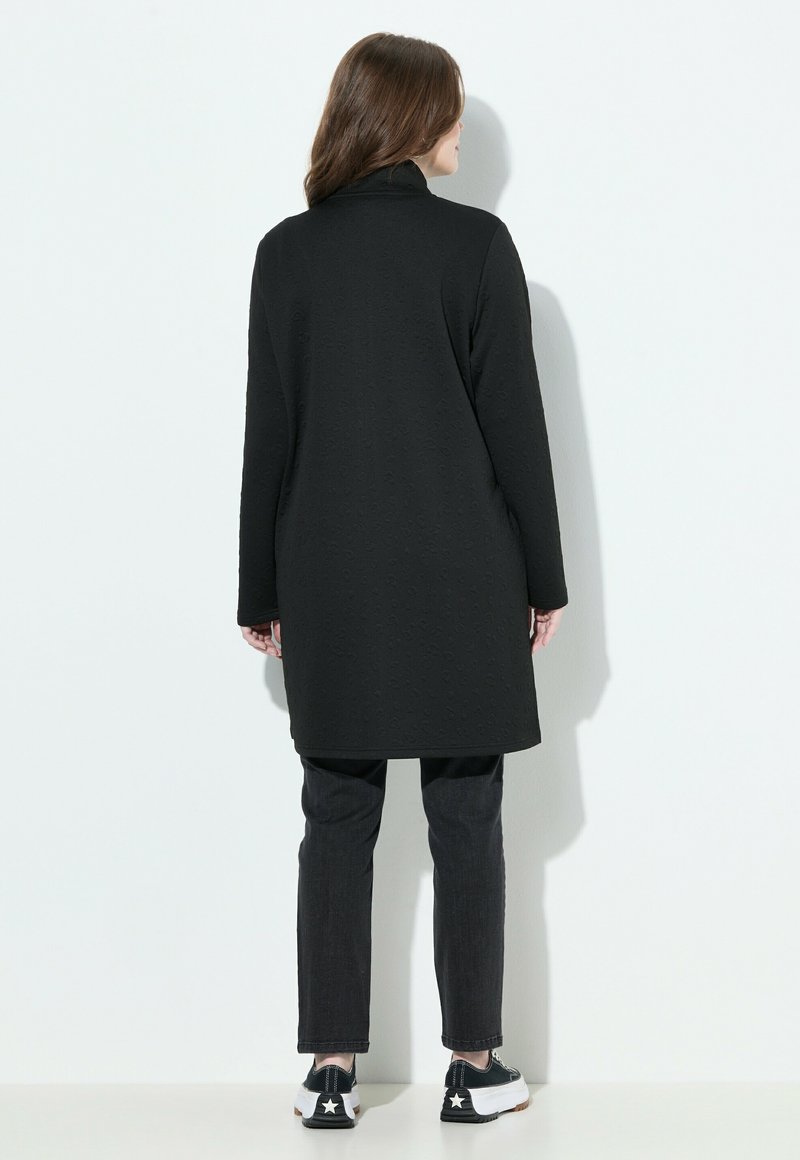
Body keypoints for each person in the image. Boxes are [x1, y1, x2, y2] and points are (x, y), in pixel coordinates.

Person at [237, 33, 568, 1128]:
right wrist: (544, 574)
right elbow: (514, 431)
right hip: (461, 573)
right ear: (415, 117)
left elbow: (269, 433)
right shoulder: (475, 246)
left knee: (335, 813)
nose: (460, 130)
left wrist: (257, 586)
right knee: (466, 812)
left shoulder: (287, 253)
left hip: (327, 576)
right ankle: (475, 1066)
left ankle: (331, 1073)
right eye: (451, 109)